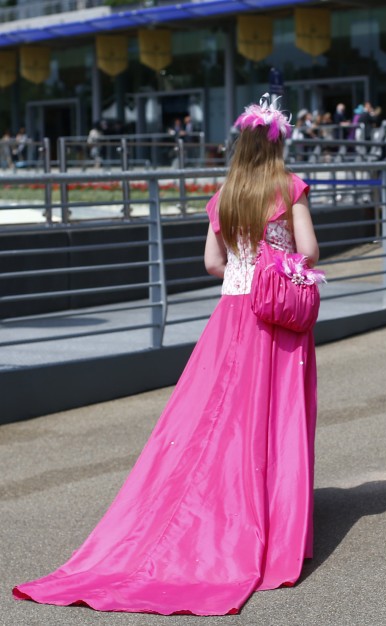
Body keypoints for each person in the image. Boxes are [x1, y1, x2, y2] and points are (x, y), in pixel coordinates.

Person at [13, 96, 321, 614]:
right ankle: (268, 520)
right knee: (274, 419)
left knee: (217, 420)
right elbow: (308, 250)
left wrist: (246, 267)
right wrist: (279, 262)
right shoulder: (289, 188)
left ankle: (211, 509)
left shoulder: (223, 194)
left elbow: (210, 263)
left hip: (231, 316)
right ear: (279, 144)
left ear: (239, 144)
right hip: (277, 319)